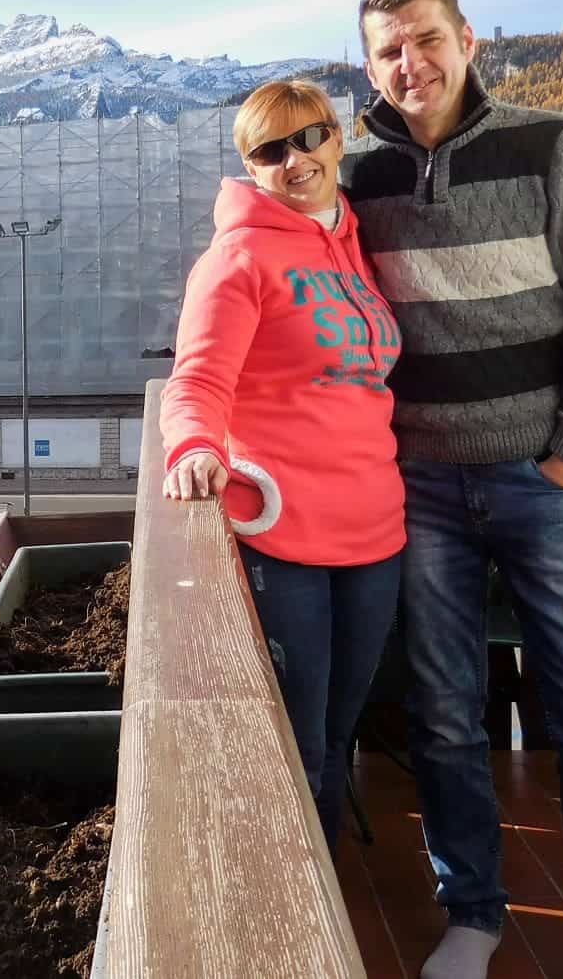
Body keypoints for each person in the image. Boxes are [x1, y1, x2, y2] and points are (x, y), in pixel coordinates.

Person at [342, 0, 563, 979]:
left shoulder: (550, 146)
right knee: (440, 712)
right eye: (387, 48)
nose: (408, 62)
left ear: (467, 40)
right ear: (371, 63)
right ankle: (471, 912)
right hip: (420, 491)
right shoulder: (356, 178)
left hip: (541, 482)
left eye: (424, 38)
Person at [160, 79, 405, 852]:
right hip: (287, 536)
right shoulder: (237, 258)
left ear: (337, 139)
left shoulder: (355, 240)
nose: (295, 159)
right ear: (251, 166)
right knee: (297, 744)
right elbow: (197, 380)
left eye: (309, 138)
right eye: (272, 149)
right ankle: (296, 917)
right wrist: (195, 447)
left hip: (378, 535)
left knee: (336, 734)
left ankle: (323, 894)